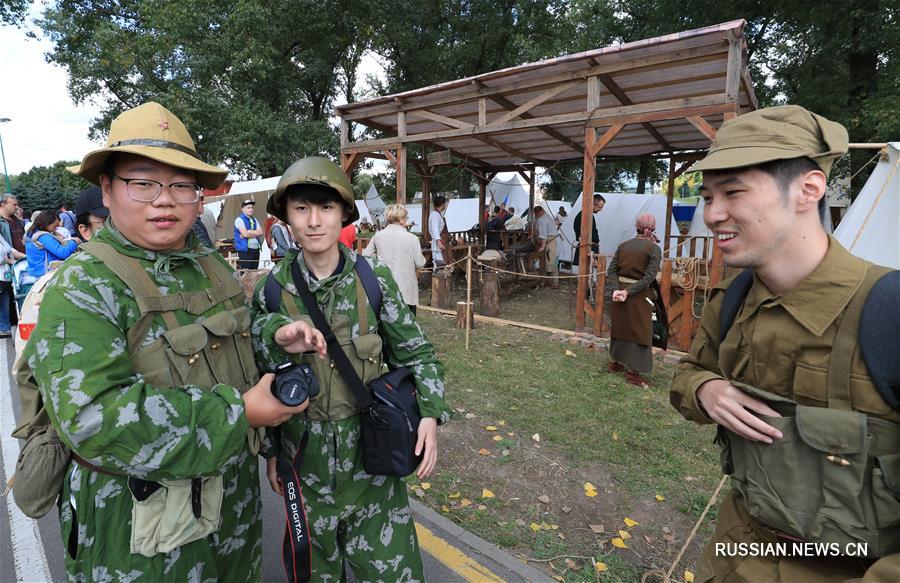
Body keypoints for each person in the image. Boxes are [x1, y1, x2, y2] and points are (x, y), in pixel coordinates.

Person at [23, 101, 305, 581]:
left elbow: (232, 335)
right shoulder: (84, 284)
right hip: (140, 529)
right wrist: (241, 413)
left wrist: (273, 334)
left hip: (231, 510)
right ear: (107, 190)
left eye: (181, 185)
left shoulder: (208, 262)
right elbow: (94, 418)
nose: (165, 199)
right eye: (143, 182)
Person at [670, 105, 900, 582]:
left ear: (808, 190)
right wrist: (705, 389)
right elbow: (688, 373)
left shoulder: (889, 314)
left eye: (733, 192)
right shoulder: (732, 301)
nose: (713, 215)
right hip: (734, 558)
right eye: (709, 196)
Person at [251, 156, 451, 583]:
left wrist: (430, 415)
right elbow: (260, 376)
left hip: (371, 458)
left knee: (393, 573)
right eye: (301, 208)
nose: (314, 221)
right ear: (286, 216)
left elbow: (418, 355)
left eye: (326, 208)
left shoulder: (372, 279)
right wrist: (272, 453)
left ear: (344, 215)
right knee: (315, 574)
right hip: (303, 460)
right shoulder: (271, 290)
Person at [607, 214, 662, 388]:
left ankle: (615, 363)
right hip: (639, 296)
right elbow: (649, 277)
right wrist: (628, 292)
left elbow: (612, 271)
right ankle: (633, 373)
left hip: (621, 293)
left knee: (620, 327)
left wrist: (618, 289)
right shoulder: (653, 249)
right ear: (652, 228)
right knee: (640, 331)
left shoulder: (623, 246)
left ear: (636, 227)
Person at [363, 203, 426, 313]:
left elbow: (366, 256)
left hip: (384, 286)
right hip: (406, 288)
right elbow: (420, 263)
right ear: (401, 219)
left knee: (386, 324)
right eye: (406, 217)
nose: (407, 220)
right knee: (408, 325)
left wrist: (379, 260)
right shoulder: (412, 238)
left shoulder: (378, 236)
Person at [24, 210, 78, 279]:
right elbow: (63, 252)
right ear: (46, 223)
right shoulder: (43, 237)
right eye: (54, 226)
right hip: (44, 273)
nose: (55, 229)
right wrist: (74, 242)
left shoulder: (32, 233)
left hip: (36, 270)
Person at [573, 194, 605, 266]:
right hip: (587, 248)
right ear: (593, 204)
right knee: (586, 274)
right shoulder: (584, 216)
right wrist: (590, 253)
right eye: (600, 207)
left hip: (591, 247)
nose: (600, 210)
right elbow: (582, 238)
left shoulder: (588, 215)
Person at [234, 199, 263, 269]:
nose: (251, 209)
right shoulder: (239, 220)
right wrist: (254, 233)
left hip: (256, 250)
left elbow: (261, 232)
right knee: (247, 273)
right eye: (248, 208)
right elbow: (245, 234)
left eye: (252, 207)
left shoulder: (255, 220)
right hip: (245, 250)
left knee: (255, 272)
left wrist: (249, 231)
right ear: (243, 209)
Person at [532, 206, 559, 282]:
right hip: (550, 241)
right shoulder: (545, 216)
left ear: (538, 212)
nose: (535, 215)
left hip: (550, 242)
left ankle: (555, 282)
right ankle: (548, 280)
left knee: (551, 262)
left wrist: (543, 246)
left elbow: (543, 234)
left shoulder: (542, 220)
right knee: (548, 262)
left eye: (536, 214)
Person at [429, 195, 450, 267]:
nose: (445, 205)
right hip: (438, 247)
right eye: (445, 203)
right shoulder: (435, 215)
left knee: (442, 267)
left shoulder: (437, 214)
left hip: (440, 245)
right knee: (439, 267)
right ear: (442, 204)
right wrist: (439, 243)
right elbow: (435, 230)